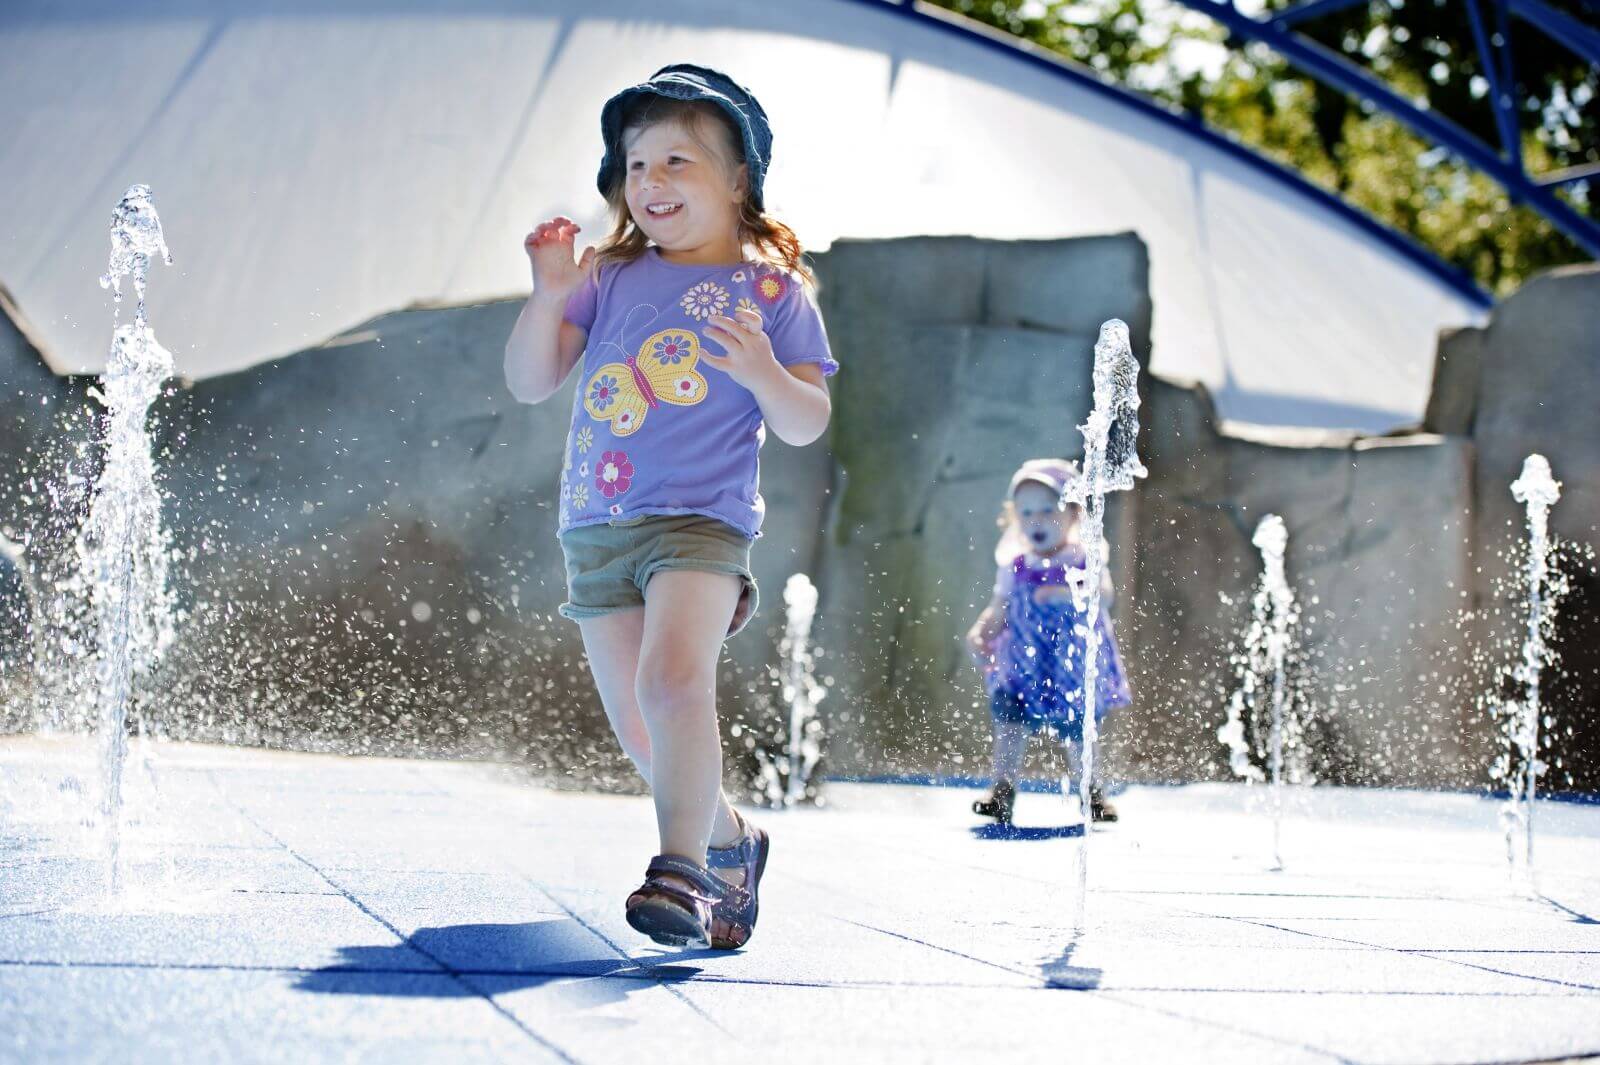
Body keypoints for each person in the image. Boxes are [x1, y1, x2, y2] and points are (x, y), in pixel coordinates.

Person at [503, 64, 836, 949]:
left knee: (671, 682)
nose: (650, 181)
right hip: (595, 527)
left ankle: (679, 869)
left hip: (700, 524)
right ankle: (730, 837)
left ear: (738, 181)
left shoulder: (773, 297)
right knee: (640, 728)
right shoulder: (608, 276)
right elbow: (533, 379)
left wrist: (765, 372)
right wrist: (546, 297)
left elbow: (806, 421)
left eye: (678, 161)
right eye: (637, 164)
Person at [965, 459, 1133, 826]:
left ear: (1073, 514)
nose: (1036, 520)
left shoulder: (1083, 558)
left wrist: (1063, 594)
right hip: (1022, 663)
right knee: (1009, 722)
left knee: (1078, 730)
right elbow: (1000, 606)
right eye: (1025, 513)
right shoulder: (1016, 565)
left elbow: (1103, 595)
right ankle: (1001, 790)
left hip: (1069, 664)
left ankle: (1091, 792)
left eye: (1047, 509)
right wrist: (982, 631)